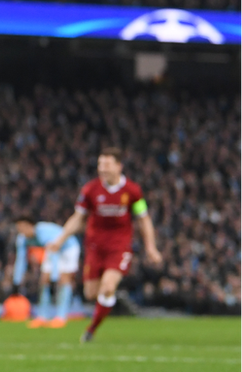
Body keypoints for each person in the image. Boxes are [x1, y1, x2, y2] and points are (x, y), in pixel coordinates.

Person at [48, 147, 163, 343]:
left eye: (107, 164)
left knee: (108, 287)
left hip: (119, 247)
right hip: (94, 248)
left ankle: (91, 329)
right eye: (100, 164)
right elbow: (78, 218)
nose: (103, 168)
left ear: (119, 166)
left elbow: (144, 219)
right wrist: (60, 239)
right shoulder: (90, 190)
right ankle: (108, 303)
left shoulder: (133, 191)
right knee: (91, 293)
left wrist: (150, 247)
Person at [13, 216, 80, 328]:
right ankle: (42, 317)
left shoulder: (43, 233)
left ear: (30, 225)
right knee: (44, 281)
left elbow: (54, 252)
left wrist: (54, 277)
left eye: (23, 227)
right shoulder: (22, 239)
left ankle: (61, 317)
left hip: (68, 248)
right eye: (19, 228)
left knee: (64, 280)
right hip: (53, 251)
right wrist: (16, 280)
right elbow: (20, 259)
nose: (21, 231)